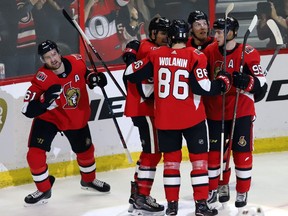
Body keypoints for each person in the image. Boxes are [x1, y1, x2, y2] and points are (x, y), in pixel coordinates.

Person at [124, 19, 232, 216]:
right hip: (192, 118)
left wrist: (131, 56)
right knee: (199, 162)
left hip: (165, 120)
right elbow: (203, 88)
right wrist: (223, 82)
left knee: (171, 164)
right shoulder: (195, 55)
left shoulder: (156, 54)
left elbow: (131, 73)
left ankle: (172, 206)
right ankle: (201, 205)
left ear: (171, 37)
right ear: (187, 35)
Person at [21, 40, 110, 206]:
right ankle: (44, 189)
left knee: (86, 152)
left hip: (75, 117)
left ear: (58, 52)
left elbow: (86, 74)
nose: (52, 59)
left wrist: (94, 79)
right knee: (34, 155)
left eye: (54, 54)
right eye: (47, 57)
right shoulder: (41, 78)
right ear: (43, 60)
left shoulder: (76, 61)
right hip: (50, 119)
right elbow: (27, 109)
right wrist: (44, 100)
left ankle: (89, 181)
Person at [202, 17, 267, 208]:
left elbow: (261, 83)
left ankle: (242, 190)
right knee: (215, 153)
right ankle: (215, 188)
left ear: (232, 32)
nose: (216, 35)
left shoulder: (248, 52)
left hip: (241, 110)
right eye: (215, 31)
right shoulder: (210, 51)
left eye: (220, 32)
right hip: (216, 110)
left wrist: (247, 81)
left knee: (241, 151)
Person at [121, 16, 170, 215]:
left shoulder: (146, 47)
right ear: (152, 33)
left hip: (144, 109)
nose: (166, 37)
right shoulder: (149, 49)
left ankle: (137, 193)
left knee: (149, 151)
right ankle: (142, 196)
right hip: (145, 110)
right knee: (153, 152)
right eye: (163, 33)